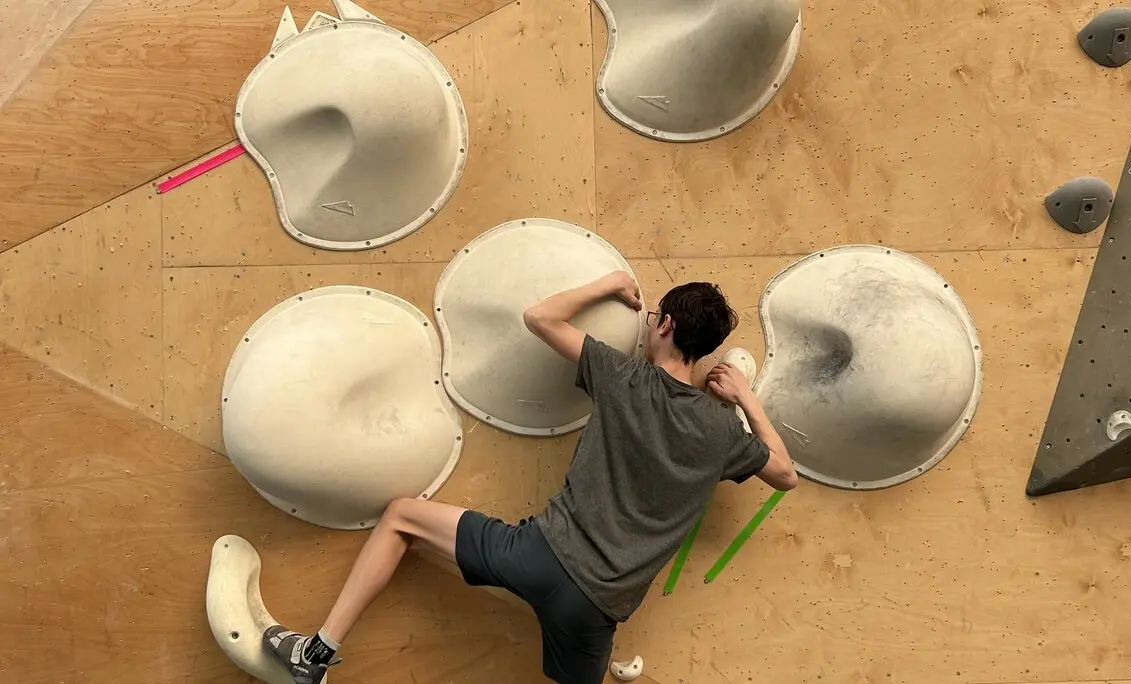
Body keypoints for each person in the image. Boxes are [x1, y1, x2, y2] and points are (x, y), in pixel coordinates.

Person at [263, 270, 798, 684]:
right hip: (596, 609)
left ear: (664, 326)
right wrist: (745, 398)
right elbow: (785, 475)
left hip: (539, 555)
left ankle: (316, 656)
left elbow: (539, 317)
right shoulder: (720, 431)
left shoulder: (622, 376)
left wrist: (609, 284)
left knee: (401, 517)